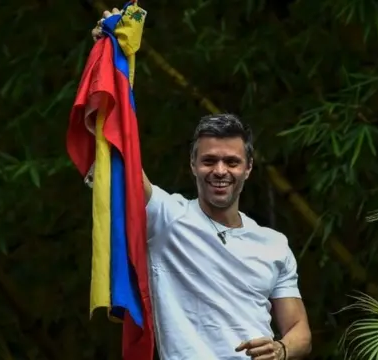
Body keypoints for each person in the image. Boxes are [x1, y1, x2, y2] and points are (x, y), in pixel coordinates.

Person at [92, 10, 312, 360]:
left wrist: (282, 349)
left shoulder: (274, 244)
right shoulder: (166, 217)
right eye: (209, 160)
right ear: (193, 164)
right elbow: (119, 156)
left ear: (248, 168)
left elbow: (299, 330)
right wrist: (113, 58)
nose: (220, 170)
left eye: (231, 162)